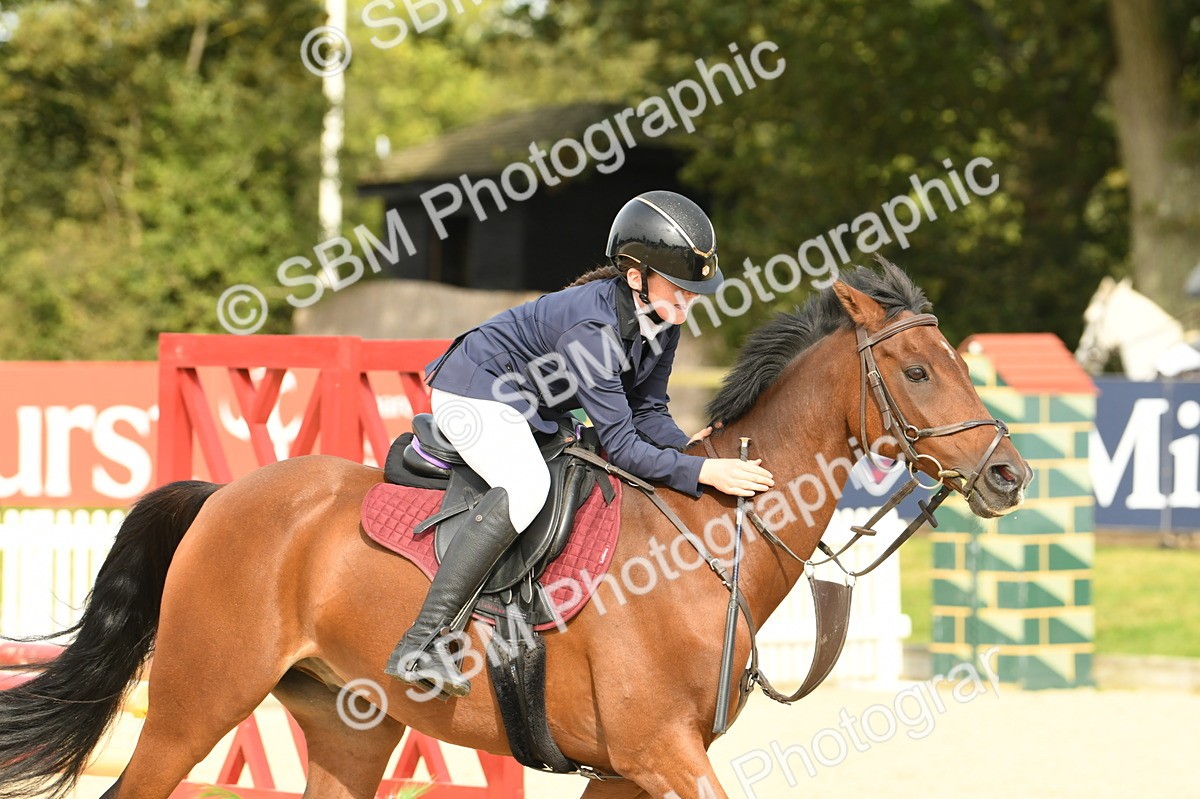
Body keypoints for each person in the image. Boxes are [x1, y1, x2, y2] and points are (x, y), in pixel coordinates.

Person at [385, 190, 775, 696]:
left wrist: (687, 450)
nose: (689, 300)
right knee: (527, 487)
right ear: (636, 277)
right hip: (473, 394)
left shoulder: (664, 319)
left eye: (693, 291)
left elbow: (648, 412)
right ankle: (424, 642)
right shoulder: (594, 330)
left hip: (529, 407)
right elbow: (623, 447)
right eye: (679, 288)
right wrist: (703, 473)